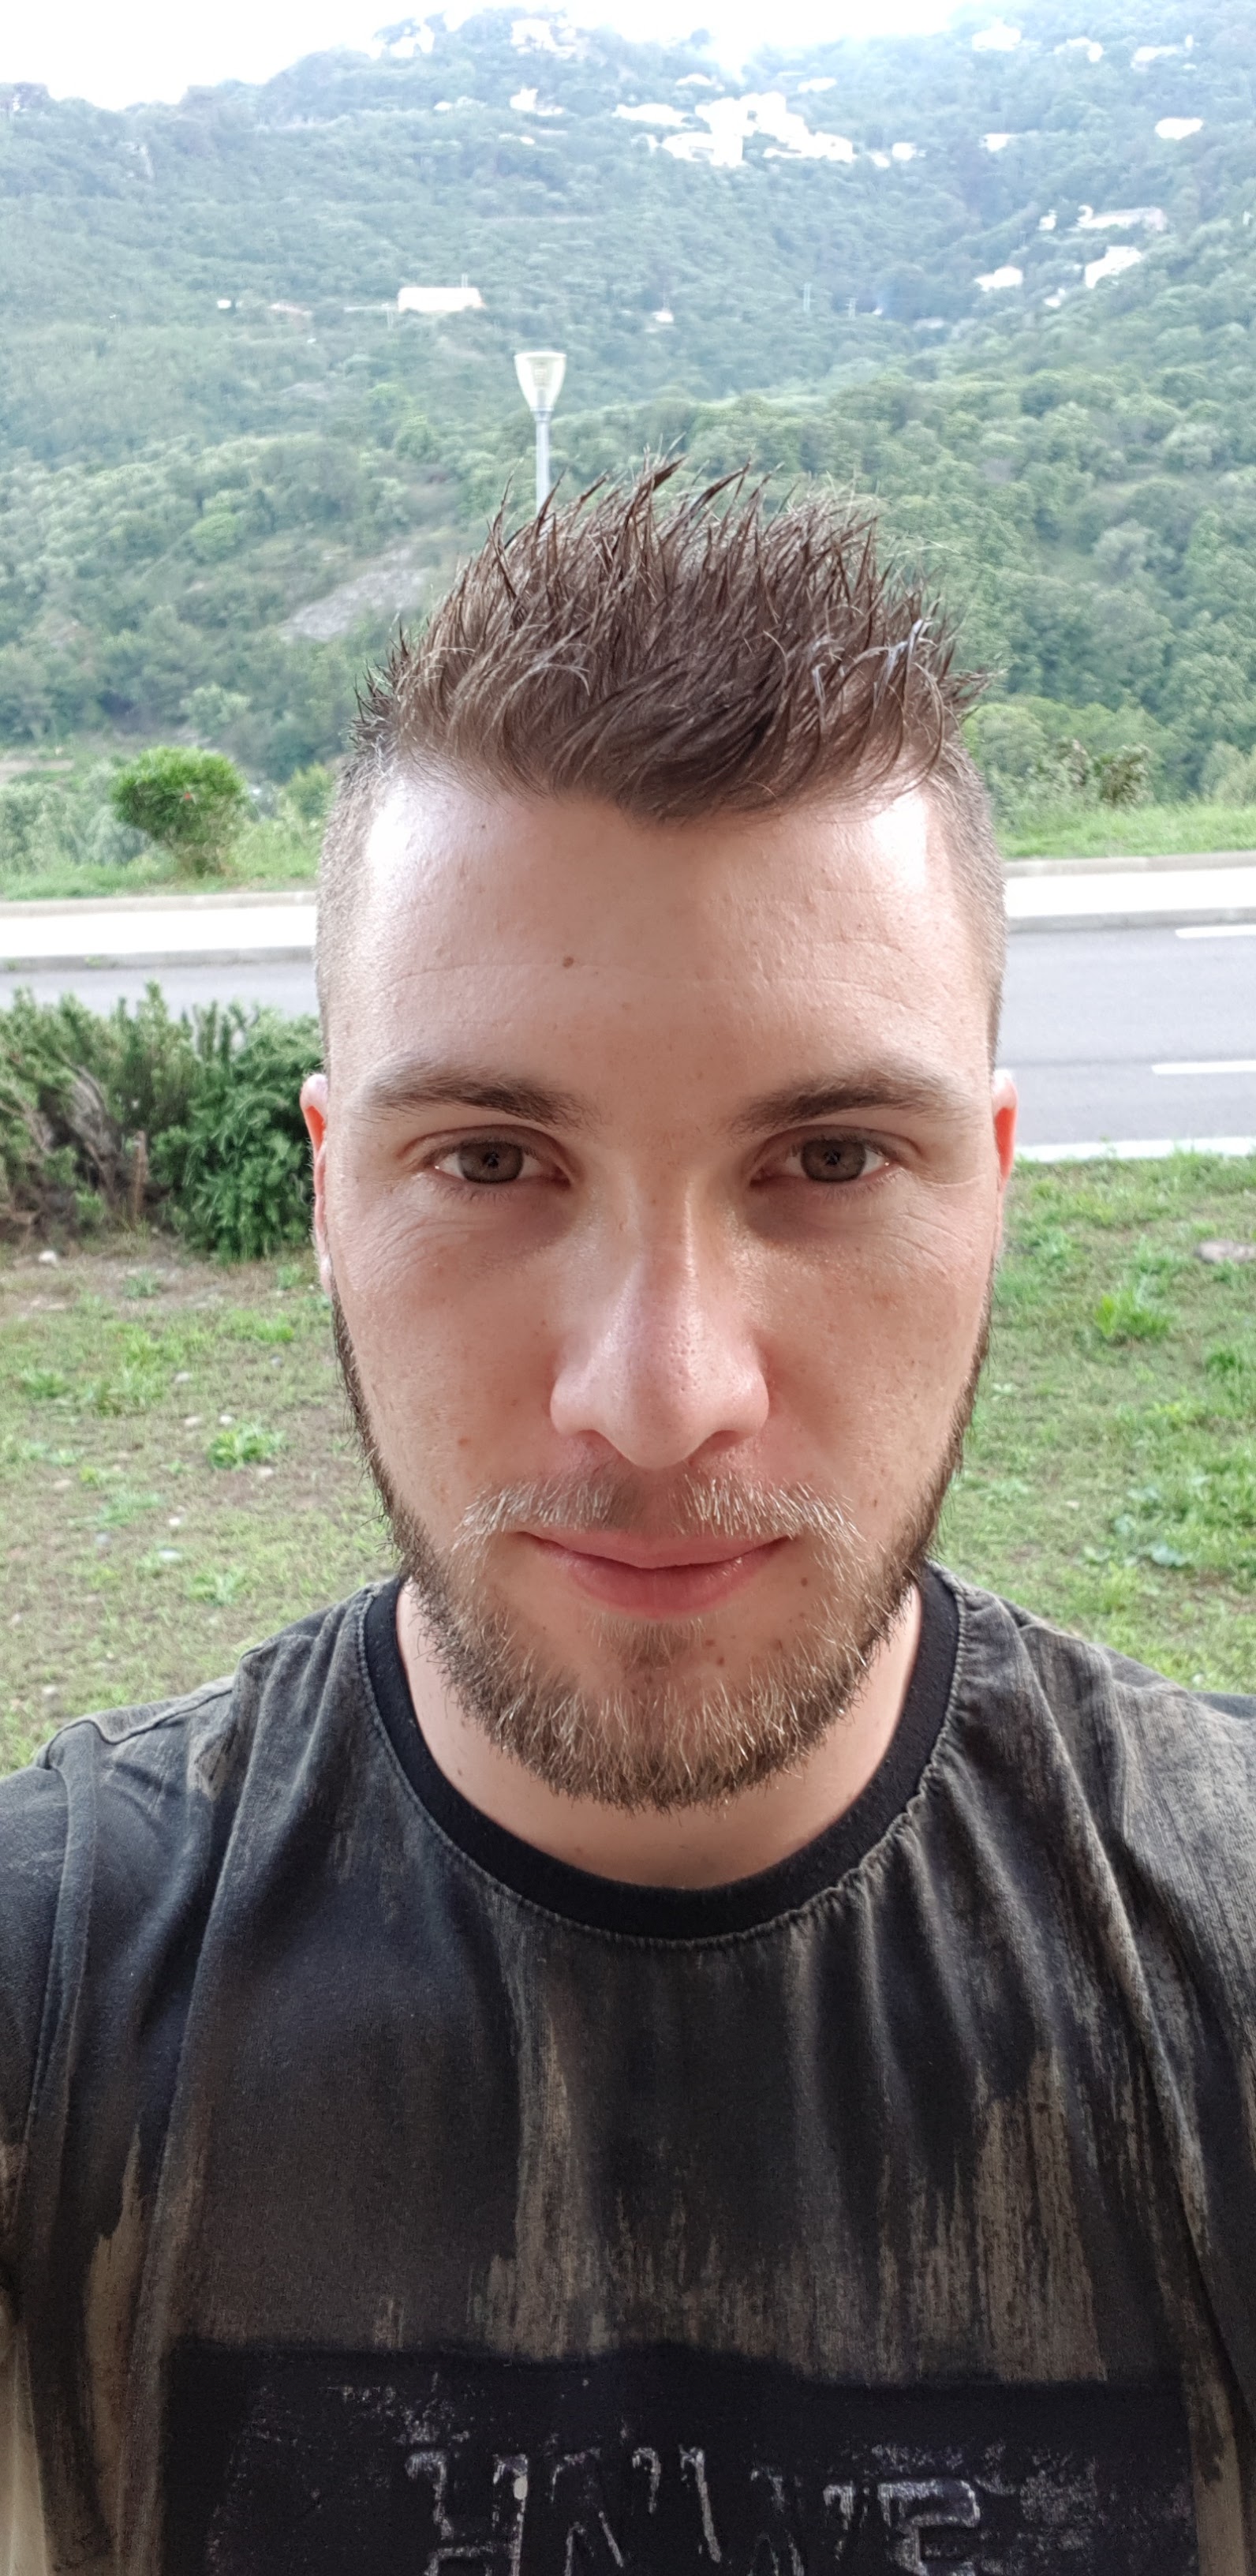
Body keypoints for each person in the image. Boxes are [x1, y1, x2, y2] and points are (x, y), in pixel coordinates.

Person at [1, 471, 1253, 2576]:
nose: (663, 1397)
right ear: (332, 1196)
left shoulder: (1221, 1970)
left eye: (829, 1160)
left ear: (992, 1193)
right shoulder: (56, 2000)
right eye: (492, 1161)